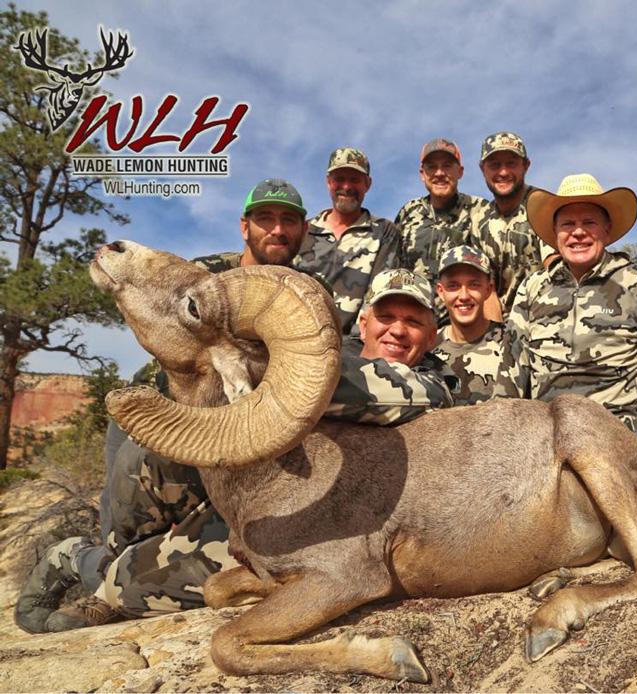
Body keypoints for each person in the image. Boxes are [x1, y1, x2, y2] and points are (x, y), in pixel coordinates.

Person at [16, 268, 455, 632]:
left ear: (432, 336)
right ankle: (104, 560)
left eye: (414, 321)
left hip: (303, 515)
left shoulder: (432, 385)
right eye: (386, 316)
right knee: (148, 449)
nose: (398, 329)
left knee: (131, 582)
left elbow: (349, 386)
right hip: (239, 483)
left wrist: (277, 364)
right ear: (363, 322)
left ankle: (82, 562)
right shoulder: (316, 349)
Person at [15, 178, 312, 633]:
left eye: (288, 219)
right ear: (244, 226)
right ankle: (94, 571)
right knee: (135, 478)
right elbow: (158, 319)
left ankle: (102, 572)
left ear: (303, 230)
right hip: (163, 409)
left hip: (247, 435)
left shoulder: (303, 291)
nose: (276, 229)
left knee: (204, 547)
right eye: (265, 218)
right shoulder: (209, 273)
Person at [498, 173, 637, 435]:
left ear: (607, 230)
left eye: (589, 222)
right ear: (555, 233)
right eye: (568, 224)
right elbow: (512, 365)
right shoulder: (532, 287)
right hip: (546, 432)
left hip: (620, 430)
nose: (578, 232)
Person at [294, 147, 400, 335]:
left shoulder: (384, 232)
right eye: (339, 179)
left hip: (352, 343)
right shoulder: (303, 230)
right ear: (328, 182)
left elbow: (378, 295)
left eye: (355, 180)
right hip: (297, 336)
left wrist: (356, 343)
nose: (347, 186)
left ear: (367, 184)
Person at [394, 138, 489, 323]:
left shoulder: (480, 210)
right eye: (432, 167)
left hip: (461, 324)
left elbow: (490, 274)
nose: (439, 173)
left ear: (460, 171)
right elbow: (395, 270)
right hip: (414, 321)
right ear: (422, 174)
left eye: (447, 166)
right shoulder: (409, 212)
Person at [473, 132, 552, 317]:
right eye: (495, 165)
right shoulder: (479, 221)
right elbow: (486, 288)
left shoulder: (545, 206)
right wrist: (497, 330)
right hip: (499, 321)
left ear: (526, 166)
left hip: (545, 317)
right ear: (483, 169)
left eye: (511, 163)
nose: (503, 172)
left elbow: (556, 267)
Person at [431, 245, 512, 404]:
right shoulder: (427, 348)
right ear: (440, 291)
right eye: (453, 286)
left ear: (488, 289)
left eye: (474, 285)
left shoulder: (511, 344)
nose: (464, 296)